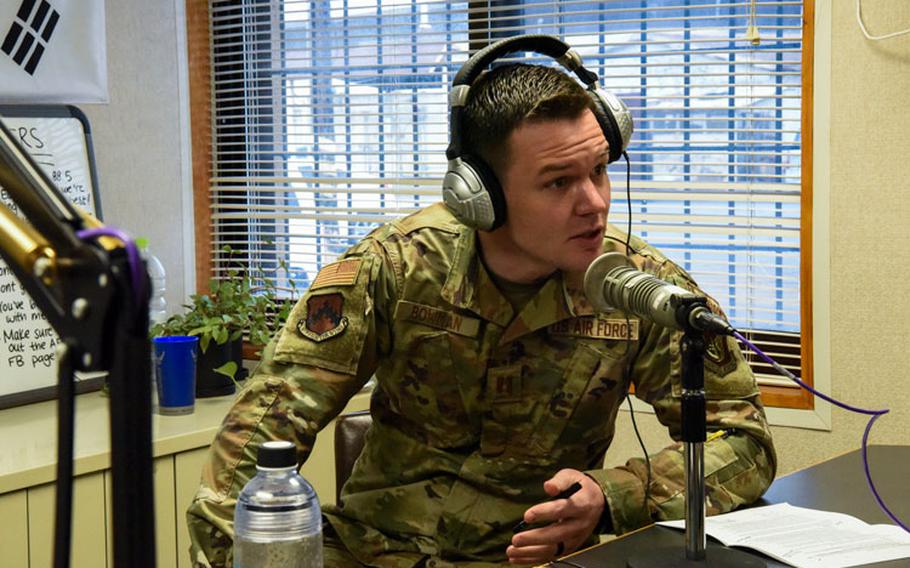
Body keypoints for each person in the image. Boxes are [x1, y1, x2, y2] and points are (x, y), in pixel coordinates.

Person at [186, 49, 776, 567]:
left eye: (598, 171)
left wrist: (611, 494)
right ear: (481, 196)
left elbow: (745, 444)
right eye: (557, 183)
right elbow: (261, 429)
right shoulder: (394, 269)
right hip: (372, 552)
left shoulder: (640, 290)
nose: (593, 203)